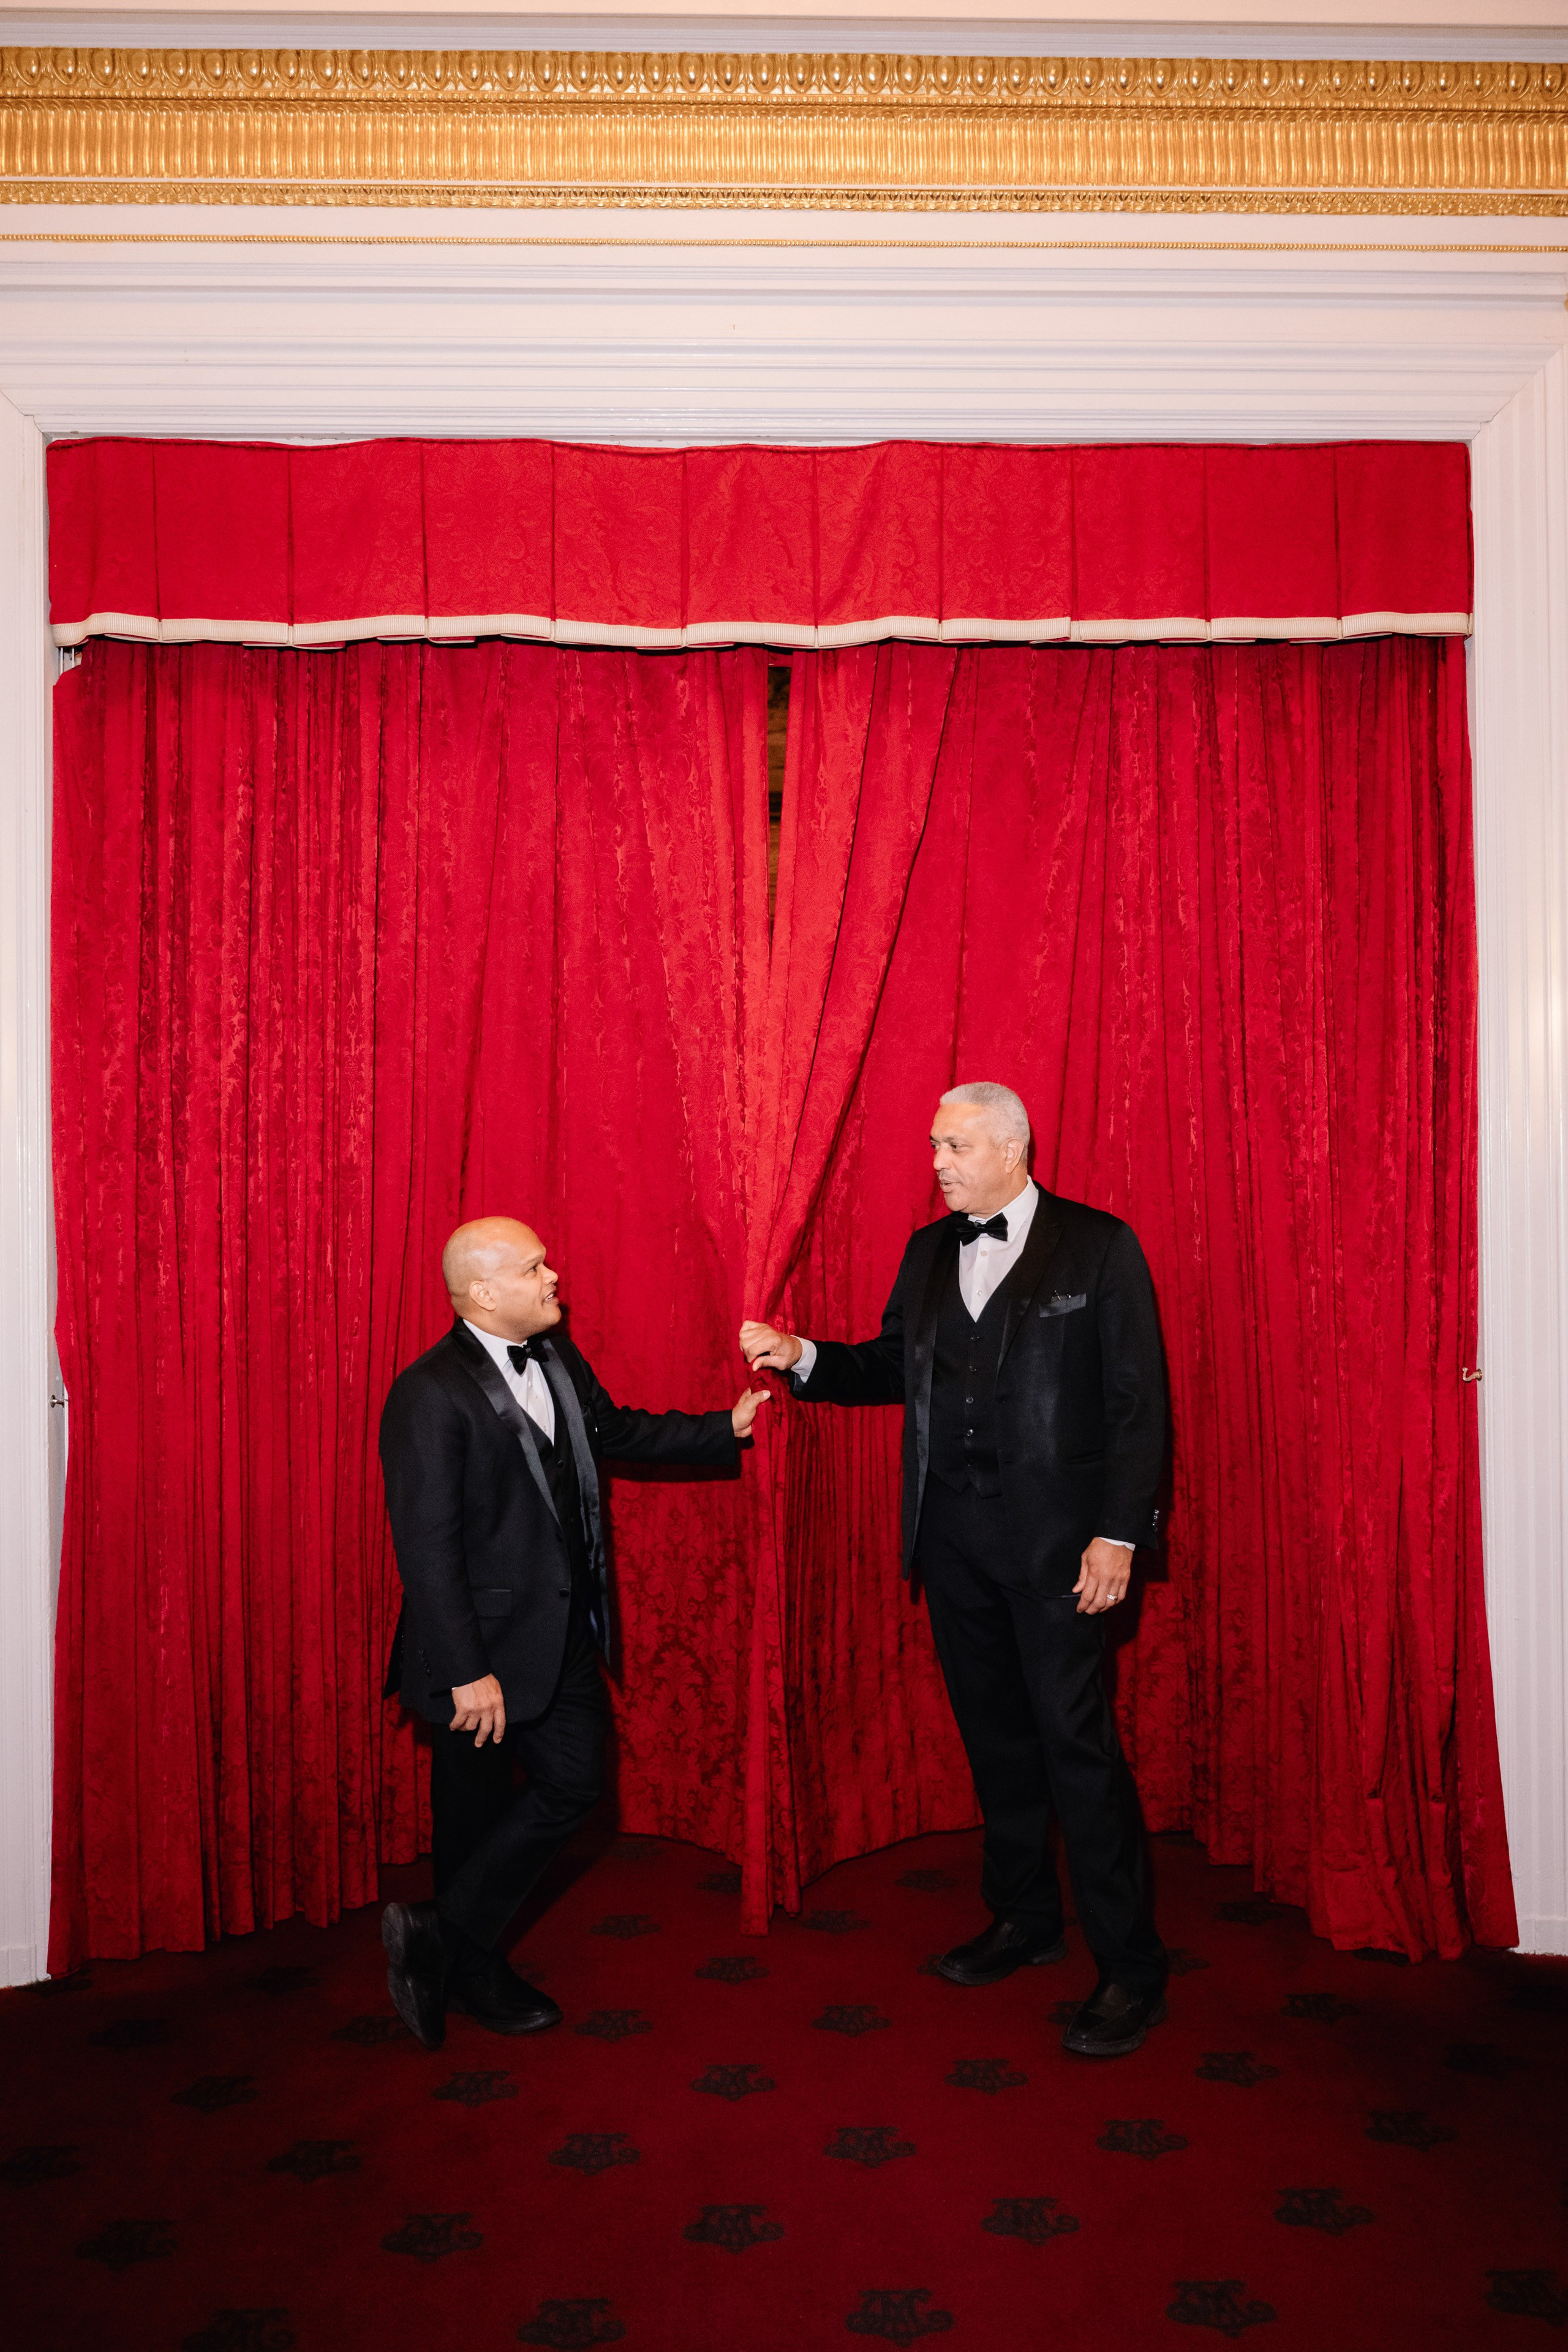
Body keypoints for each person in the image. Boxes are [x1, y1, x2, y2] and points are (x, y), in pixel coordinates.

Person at [741, 1082, 1169, 2057]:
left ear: (1013, 1148)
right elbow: (897, 1368)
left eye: (956, 1146)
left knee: (1079, 1752)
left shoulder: (1099, 1246)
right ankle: (1022, 1920)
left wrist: (1119, 1535)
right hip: (955, 1545)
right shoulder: (929, 1250)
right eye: (933, 1144)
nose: (936, 1162)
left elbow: (1138, 1403)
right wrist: (805, 1355)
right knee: (997, 1745)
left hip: (1064, 1552)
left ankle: (1131, 1968)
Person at [380, 1215, 769, 2049]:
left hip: (564, 1634)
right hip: (474, 1654)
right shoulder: (427, 1392)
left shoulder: (556, 1357)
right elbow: (427, 1546)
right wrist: (465, 1669)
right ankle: (474, 1969)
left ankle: (439, 1937)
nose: (555, 1277)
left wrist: (720, 1429)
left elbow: (612, 1431)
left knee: (576, 1785)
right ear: (484, 1292)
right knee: (473, 1818)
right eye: (533, 1268)